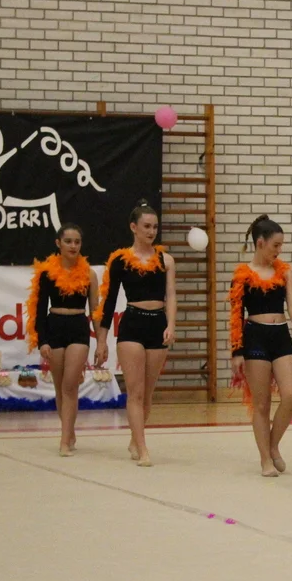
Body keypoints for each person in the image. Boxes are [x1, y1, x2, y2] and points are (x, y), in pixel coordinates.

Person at [94, 199, 176, 467]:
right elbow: (108, 302)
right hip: (132, 325)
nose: (152, 231)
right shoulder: (120, 261)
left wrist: (171, 324)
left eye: (155, 227)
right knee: (135, 392)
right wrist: (102, 340)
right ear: (134, 227)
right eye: (146, 226)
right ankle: (143, 449)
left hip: (157, 324)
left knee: (148, 394)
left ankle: (134, 439)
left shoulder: (166, 260)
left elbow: (171, 296)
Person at [229, 215, 292, 477]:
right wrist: (237, 351)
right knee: (261, 404)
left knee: (291, 396)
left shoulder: (284, 272)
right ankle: (265, 459)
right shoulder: (242, 275)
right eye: (276, 245)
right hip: (255, 337)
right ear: (260, 243)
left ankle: (273, 445)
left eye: (281, 245)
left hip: (280, 335)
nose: (279, 250)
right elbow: (235, 314)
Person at [25, 223, 100, 457]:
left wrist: (101, 342)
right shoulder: (47, 273)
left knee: (70, 385)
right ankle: (69, 431)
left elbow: (95, 310)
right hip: (54, 327)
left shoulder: (89, 274)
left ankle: (64, 441)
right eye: (68, 241)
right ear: (58, 243)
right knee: (60, 387)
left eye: (77, 242)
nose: (73, 246)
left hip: (78, 327)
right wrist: (42, 341)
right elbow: (38, 310)